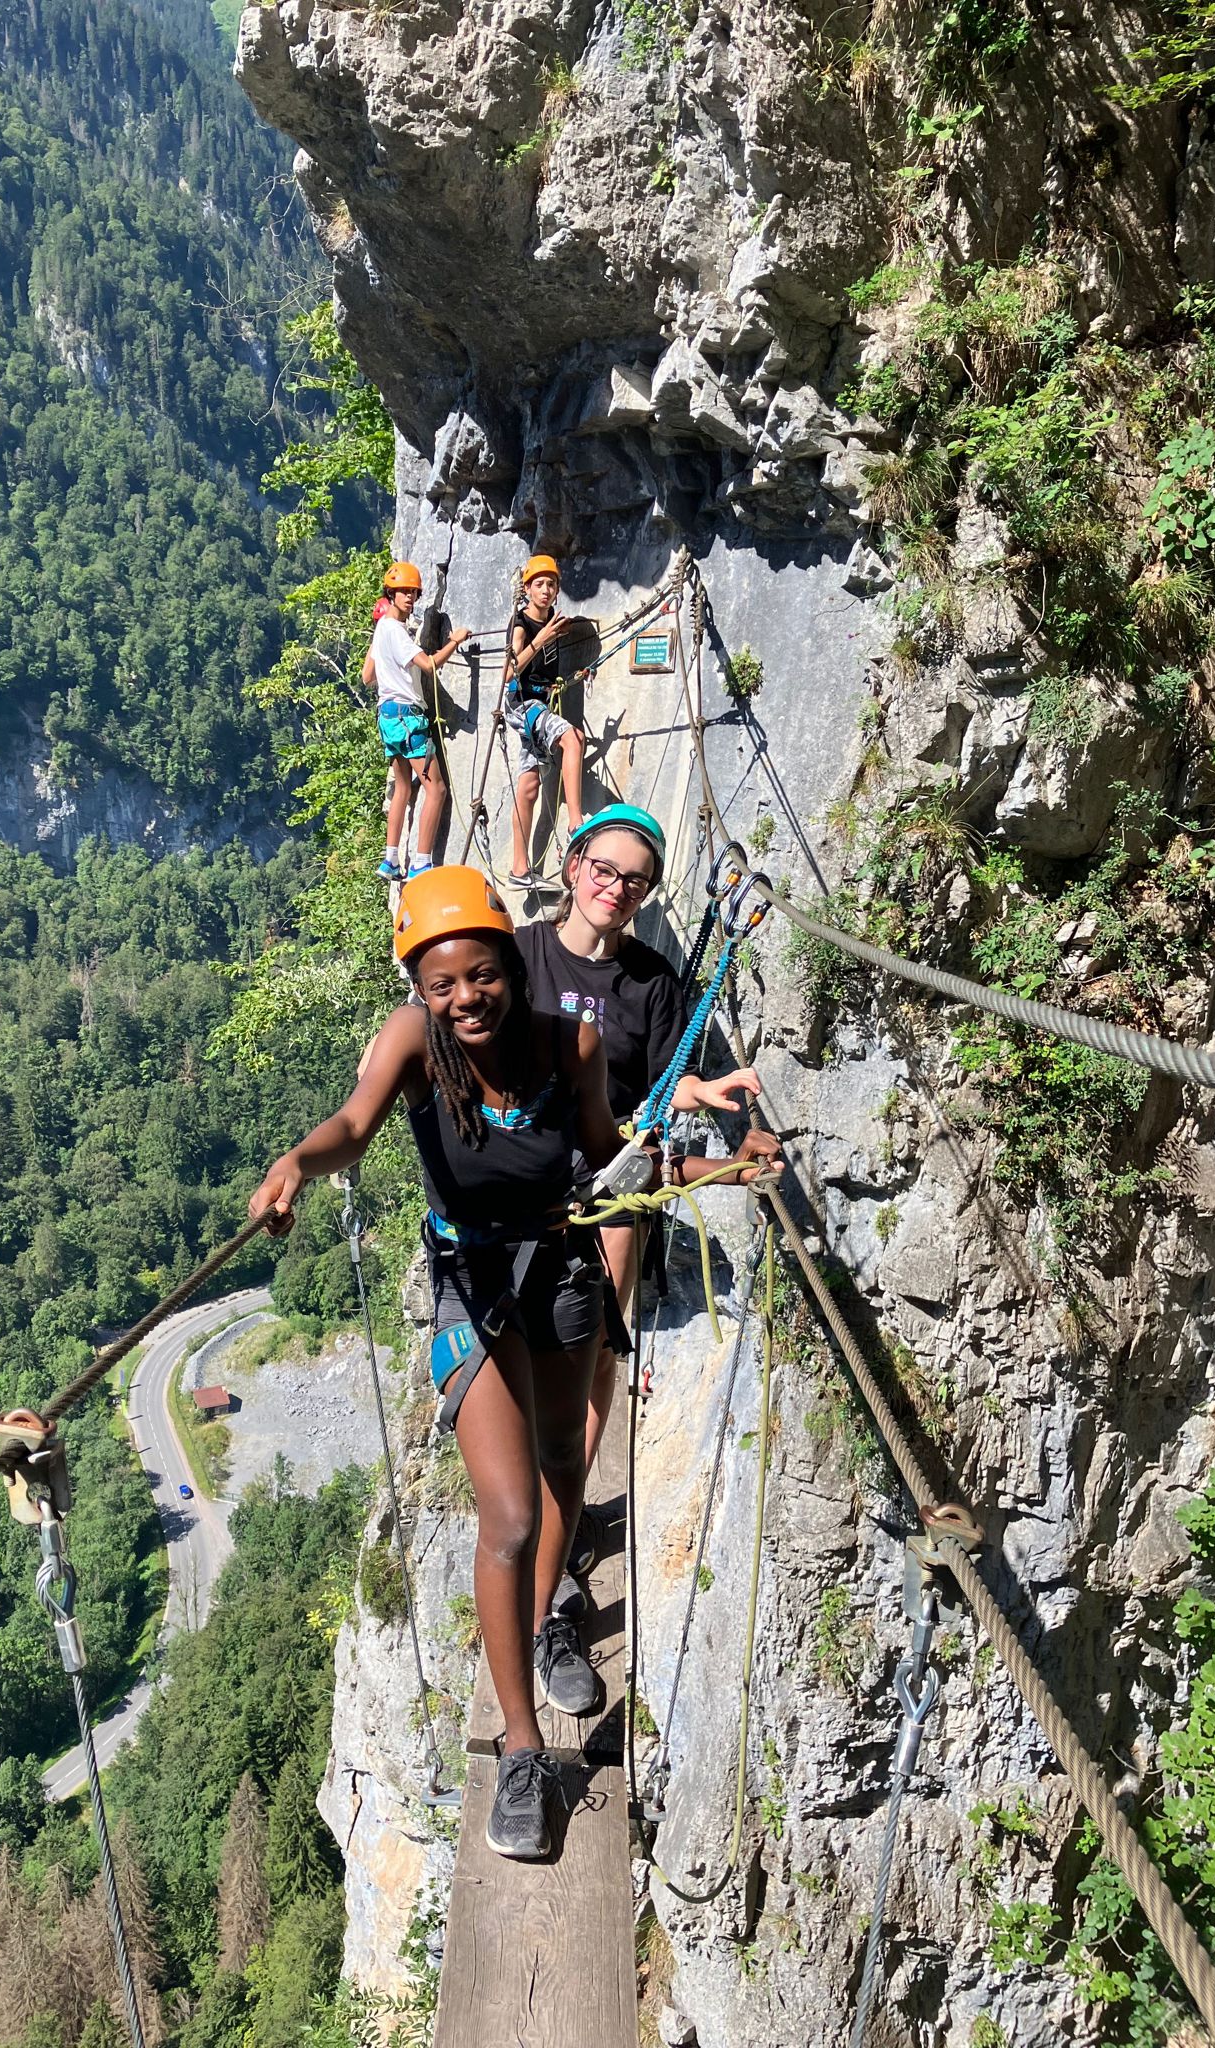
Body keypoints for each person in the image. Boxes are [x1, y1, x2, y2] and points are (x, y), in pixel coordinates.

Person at [247, 867, 778, 1861]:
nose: (465, 998)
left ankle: (544, 1618)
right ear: (420, 987)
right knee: (516, 1511)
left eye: (482, 974)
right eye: (442, 982)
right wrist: (296, 1166)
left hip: (563, 1263)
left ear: (510, 966)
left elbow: (609, 1157)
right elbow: (354, 1124)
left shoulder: (569, 1040)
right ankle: (525, 1747)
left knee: (568, 1467)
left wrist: (721, 1166)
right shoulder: (415, 1043)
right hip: (471, 1277)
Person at [516, 804, 767, 1586]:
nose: (617, 889)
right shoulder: (519, 955)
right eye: (605, 871)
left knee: (595, 1357)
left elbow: (666, 1080)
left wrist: (710, 1091)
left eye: (636, 880)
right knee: (528, 1357)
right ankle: (532, 1512)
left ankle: (559, 1530)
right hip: (524, 1173)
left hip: (612, 1172)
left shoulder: (653, 982)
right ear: (573, 867)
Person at [368, 561, 471, 883]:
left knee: (402, 788)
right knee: (436, 789)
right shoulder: (396, 632)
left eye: (413, 592)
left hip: (387, 717)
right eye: (403, 592)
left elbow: (367, 676)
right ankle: (421, 864)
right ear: (391, 593)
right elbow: (428, 665)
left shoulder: (381, 629)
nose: (410, 598)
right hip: (408, 719)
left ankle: (390, 860)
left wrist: (389, 669)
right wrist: (455, 641)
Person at [504, 553, 586, 888]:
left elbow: (542, 668)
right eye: (539, 584)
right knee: (573, 738)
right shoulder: (522, 624)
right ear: (527, 588)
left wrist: (558, 680)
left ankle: (519, 870)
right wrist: (541, 639)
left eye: (551, 584)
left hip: (538, 699)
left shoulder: (553, 618)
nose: (546, 590)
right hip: (522, 705)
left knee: (528, 787)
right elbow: (510, 671)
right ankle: (575, 822)